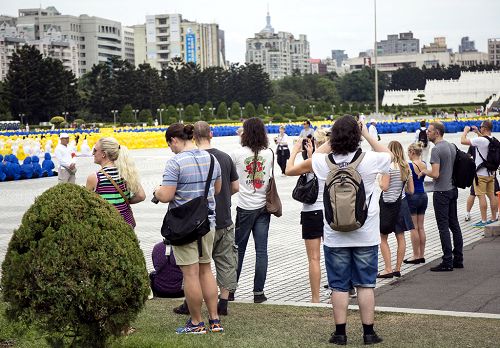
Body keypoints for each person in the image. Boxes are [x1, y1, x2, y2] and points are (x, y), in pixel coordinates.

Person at [312, 115, 391, 345]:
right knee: (365, 284)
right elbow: (389, 155)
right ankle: (368, 333)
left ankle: (340, 333)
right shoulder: (369, 160)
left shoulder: (323, 162)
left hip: (335, 235)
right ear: (357, 137)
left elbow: (315, 154)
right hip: (365, 233)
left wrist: (332, 137)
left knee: (339, 285)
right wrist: (365, 133)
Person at [154, 123, 223, 334]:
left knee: (190, 275)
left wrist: (156, 191)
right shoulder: (212, 158)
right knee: (206, 270)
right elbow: (217, 189)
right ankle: (215, 320)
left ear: (174, 140)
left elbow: (166, 195)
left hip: (184, 227)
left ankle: (196, 323)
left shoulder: (175, 163)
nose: (170, 149)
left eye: (169, 144)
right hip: (207, 223)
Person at [191, 121, 239, 316]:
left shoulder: (192, 159)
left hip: (200, 221)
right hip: (224, 218)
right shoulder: (225, 158)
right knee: (226, 261)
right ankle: (224, 302)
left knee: (200, 264)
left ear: (193, 137)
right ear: (211, 134)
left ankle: (193, 301)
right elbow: (235, 187)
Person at [231, 117, 274, 304]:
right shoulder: (270, 153)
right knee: (261, 251)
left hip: (245, 207)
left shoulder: (237, 154)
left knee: (238, 250)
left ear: (245, 133)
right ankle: (259, 293)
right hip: (263, 207)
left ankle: (230, 290)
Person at [285, 128, 328, 303]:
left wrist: (295, 150)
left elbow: (289, 170)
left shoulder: (312, 162)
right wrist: (311, 153)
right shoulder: (331, 160)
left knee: (314, 259)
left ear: (317, 143)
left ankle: (315, 298)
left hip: (312, 212)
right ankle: (344, 289)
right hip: (330, 211)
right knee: (335, 254)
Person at [419, 122, 463, 272]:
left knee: (443, 227)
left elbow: (436, 173)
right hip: (452, 189)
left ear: (437, 132)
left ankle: (447, 261)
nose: (427, 133)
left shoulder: (436, 150)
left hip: (442, 193)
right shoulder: (451, 146)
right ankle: (458, 259)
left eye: (430, 131)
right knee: (454, 225)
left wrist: (424, 170)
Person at [86, 137, 146, 229]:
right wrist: (123, 202)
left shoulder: (94, 178)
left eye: (95, 150)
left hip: (106, 227)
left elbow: (86, 205)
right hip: (126, 226)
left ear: (104, 154)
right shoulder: (126, 173)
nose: (93, 153)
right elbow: (141, 196)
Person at [377, 141, 414, 278]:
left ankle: (388, 269)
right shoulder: (406, 167)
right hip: (401, 204)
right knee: (401, 237)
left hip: (387, 205)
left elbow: (385, 187)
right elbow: (411, 190)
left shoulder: (388, 167)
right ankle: (398, 268)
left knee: (383, 237)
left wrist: (380, 180)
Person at [460, 121, 498, 226]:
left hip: (480, 174)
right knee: (492, 195)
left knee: (481, 196)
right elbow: (483, 140)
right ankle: (494, 218)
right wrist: (477, 132)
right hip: (491, 173)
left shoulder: (481, 140)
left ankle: (484, 220)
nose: (480, 128)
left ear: (484, 128)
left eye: (481, 127)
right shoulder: (493, 139)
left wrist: (465, 131)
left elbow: (463, 141)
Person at [404, 143, 428, 264]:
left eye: (408, 152)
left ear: (412, 152)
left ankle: (416, 255)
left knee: (414, 228)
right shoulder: (424, 164)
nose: (407, 154)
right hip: (423, 195)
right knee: (421, 227)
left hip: (412, 197)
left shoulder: (408, 165)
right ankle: (422, 255)